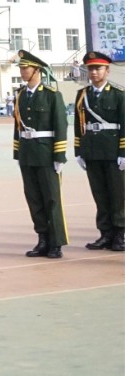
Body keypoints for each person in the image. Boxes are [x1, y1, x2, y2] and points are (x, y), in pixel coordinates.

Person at [12, 50, 67, 257]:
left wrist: (59, 155)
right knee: (34, 199)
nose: (22, 71)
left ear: (37, 70)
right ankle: (42, 239)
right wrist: (18, 152)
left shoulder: (52, 95)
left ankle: (56, 242)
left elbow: (60, 125)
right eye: (21, 68)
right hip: (27, 153)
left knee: (52, 199)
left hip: (46, 153)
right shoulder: (20, 95)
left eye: (25, 68)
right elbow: (17, 126)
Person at [73, 50, 124, 252]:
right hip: (92, 151)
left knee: (118, 194)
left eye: (98, 68)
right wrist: (78, 150)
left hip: (113, 151)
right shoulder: (82, 95)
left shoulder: (119, 94)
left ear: (107, 70)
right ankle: (105, 233)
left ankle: (120, 233)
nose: (94, 72)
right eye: (91, 68)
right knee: (100, 194)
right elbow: (78, 125)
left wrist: (123, 152)